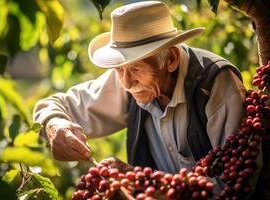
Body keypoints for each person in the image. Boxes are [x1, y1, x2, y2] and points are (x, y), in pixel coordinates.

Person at [33, 1, 246, 174]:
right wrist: (54, 124)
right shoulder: (131, 80)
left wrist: (140, 182)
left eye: (136, 68)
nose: (125, 83)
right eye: (119, 69)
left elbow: (234, 183)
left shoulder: (215, 84)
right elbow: (55, 105)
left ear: (170, 59)